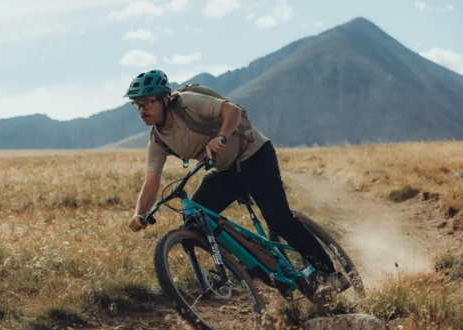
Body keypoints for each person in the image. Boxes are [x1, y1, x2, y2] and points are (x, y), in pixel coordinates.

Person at [125, 69, 350, 293]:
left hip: (254, 155)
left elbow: (231, 111)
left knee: (279, 220)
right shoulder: (157, 141)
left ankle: (330, 273)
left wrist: (220, 137)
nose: (142, 110)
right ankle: (250, 262)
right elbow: (152, 181)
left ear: (165, 99)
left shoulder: (187, 103)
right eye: (138, 105)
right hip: (226, 170)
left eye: (147, 103)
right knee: (194, 220)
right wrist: (139, 214)